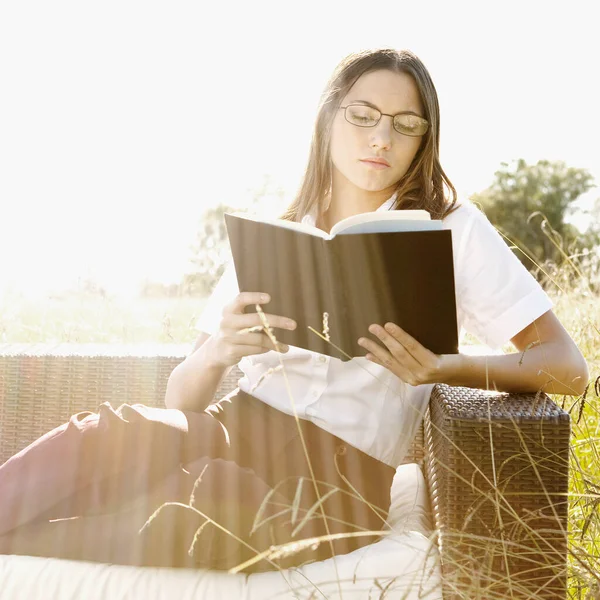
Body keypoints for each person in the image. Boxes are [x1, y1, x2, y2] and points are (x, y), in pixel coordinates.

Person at [0, 47, 589, 575]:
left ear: (424, 140)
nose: (380, 139)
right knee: (104, 434)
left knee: (212, 501)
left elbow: (566, 366)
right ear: (328, 118)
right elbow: (182, 400)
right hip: (235, 425)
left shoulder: (451, 228)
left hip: (340, 475)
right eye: (361, 116)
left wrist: (441, 367)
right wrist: (218, 351)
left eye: (406, 126)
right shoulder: (277, 229)